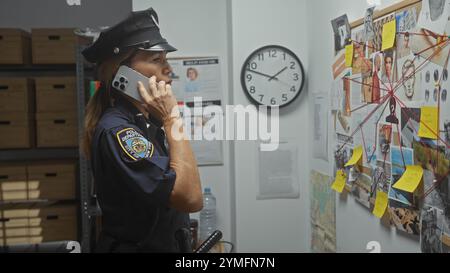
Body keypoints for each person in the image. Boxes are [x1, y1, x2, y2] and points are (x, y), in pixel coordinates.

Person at [81, 7, 203, 252]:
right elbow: (190, 198)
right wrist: (172, 119)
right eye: (157, 60)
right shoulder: (119, 132)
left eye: (166, 59)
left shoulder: (144, 122)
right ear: (123, 73)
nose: (168, 70)